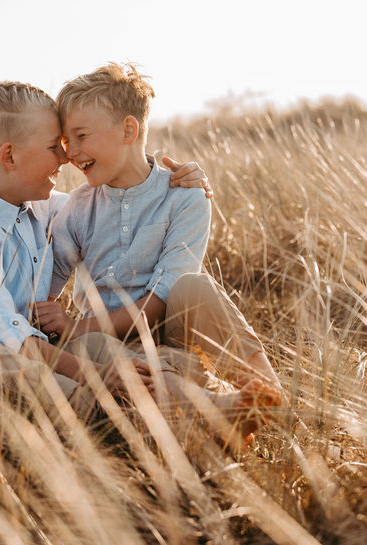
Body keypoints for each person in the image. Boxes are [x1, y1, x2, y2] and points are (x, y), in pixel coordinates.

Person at [0, 80, 237, 424]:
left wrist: (181, 183)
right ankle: (117, 417)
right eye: (54, 146)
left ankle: (206, 403)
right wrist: (95, 374)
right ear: (10, 156)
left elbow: (106, 209)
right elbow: (1, 332)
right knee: (17, 368)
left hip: (29, 352)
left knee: (101, 347)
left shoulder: (35, 202)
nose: (66, 157)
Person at [33, 63, 283, 435]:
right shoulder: (76, 208)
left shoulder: (184, 196)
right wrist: (60, 326)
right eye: (67, 141)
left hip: (169, 331)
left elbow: (163, 297)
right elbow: (46, 287)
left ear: (128, 130)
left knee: (194, 286)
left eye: (81, 136)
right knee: (94, 344)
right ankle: (213, 409)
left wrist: (76, 325)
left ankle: (265, 389)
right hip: (105, 342)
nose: (72, 153)